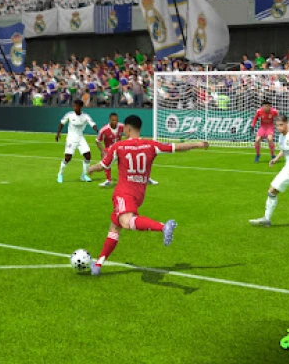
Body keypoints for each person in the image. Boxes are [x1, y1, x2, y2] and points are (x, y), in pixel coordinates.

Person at [87, 115, 209, 275]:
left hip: (124, 192)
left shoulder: (119, 146)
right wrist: (198, 144)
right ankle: (98, 265)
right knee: (114, 227)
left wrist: (90, 169)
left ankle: (163, 227)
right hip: (139, 194)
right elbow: (176, 147)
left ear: (128, 129)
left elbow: (104, 165)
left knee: (125, 221)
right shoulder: (151, 145)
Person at [94, 112, 159, 188]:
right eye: (113, 120)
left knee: (134, 157)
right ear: (110, 120)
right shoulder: (104, 129)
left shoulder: (122, 126)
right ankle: (108, 180)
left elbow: (130, 132)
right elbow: (97, 141)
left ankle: (146, 178)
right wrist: (102, 151)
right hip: (109, 149)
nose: (115, 122)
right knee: (106, 160)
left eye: (116, 120)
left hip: (121, 148)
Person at [56, 100, 98, 183]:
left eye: (76, 106)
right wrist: (58, 133)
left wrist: (97, 131)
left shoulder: (85, 116)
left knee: (88, 155)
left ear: (80, 107)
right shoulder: (69, 115)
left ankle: (84, 175)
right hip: (71, 139)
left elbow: (93, 124)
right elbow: (62, 123)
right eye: (74, 106)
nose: (74, 107)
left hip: (80, 138)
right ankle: (60, 174)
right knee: (68, 158)